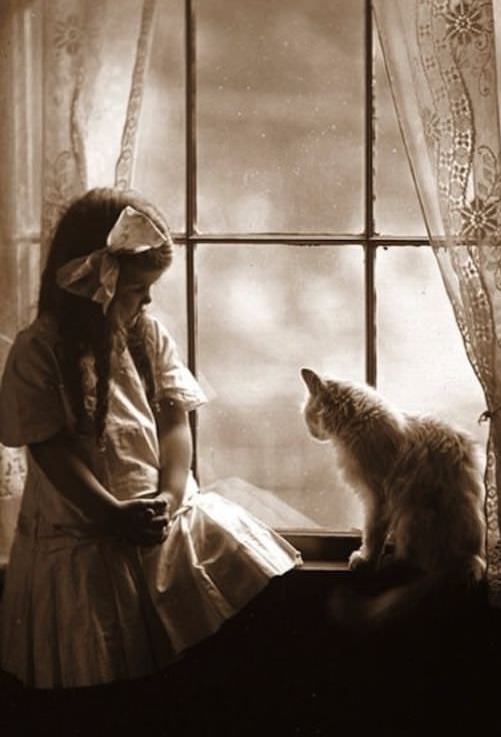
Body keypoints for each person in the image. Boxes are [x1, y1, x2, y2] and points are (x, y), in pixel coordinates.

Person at [0, 187, 301, 689]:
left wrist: (170, 492)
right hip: (87, 532)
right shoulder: (39, 351)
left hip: (161, 520)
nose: (149, 300)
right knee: (107, 672)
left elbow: (174, 422)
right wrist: (108, 512)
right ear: (97, 281)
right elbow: (49, 449)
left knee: (241, 597)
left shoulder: (148, 334)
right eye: (139, 289)